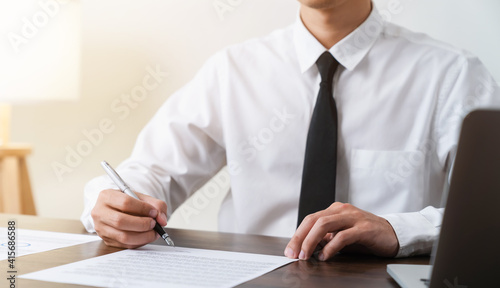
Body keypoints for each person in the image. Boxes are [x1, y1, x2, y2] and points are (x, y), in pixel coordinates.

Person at [81, 0, 500, 260]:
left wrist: (398, 229)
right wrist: (109, 204)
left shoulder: (452, 76)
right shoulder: (234, 71)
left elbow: (490, 216)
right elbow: (147, 173)